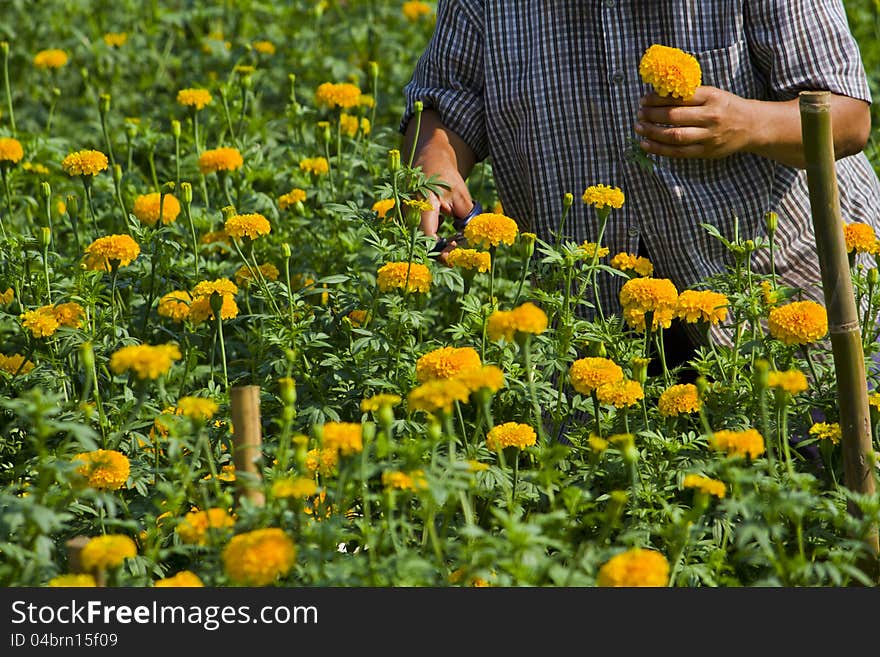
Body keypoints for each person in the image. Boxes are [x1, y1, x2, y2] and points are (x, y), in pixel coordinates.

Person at [399, 0, 880, 364]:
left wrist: (748, 123)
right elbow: (445, 99)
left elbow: (848, 115)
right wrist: (435, 165)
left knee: (812, 483)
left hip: (782, 297)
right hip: (595, 326)